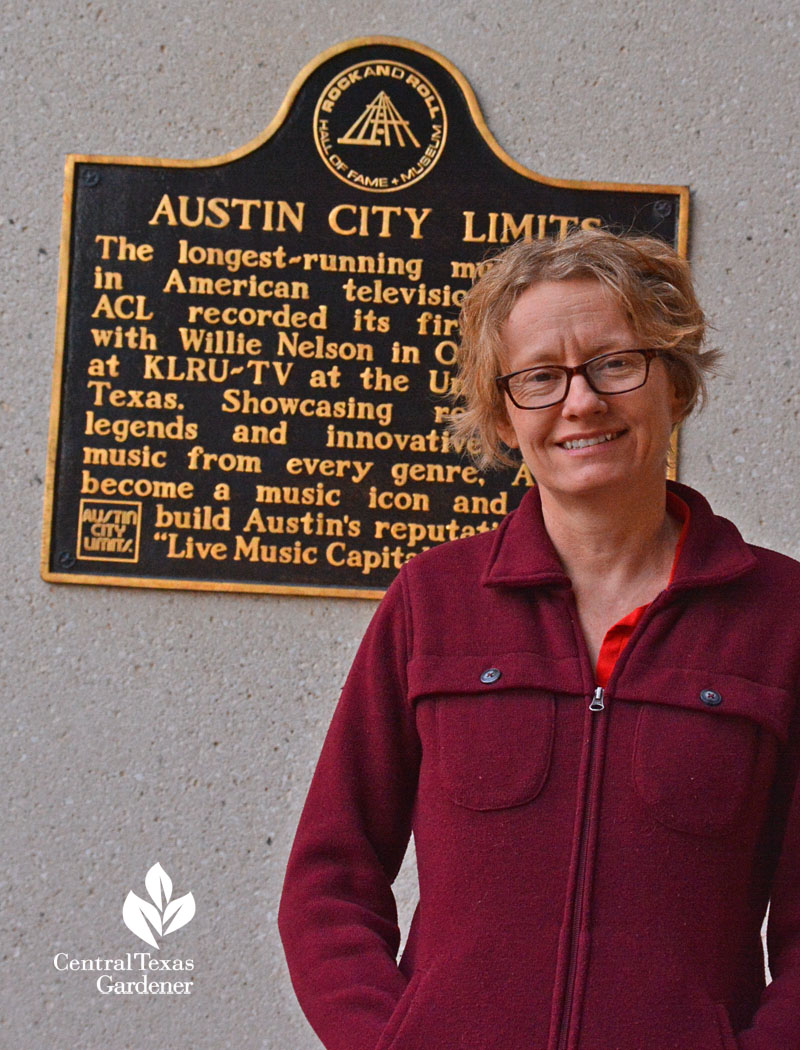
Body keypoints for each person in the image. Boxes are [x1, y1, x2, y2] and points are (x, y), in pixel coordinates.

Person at [278, 229, 800, 1050]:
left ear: (675, 384)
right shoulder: (432, 601)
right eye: (540, 379)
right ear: (502, 413)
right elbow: (327, 882)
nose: (581, 402)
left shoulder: (784, 619)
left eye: (615, 363)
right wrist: (393, 1041)